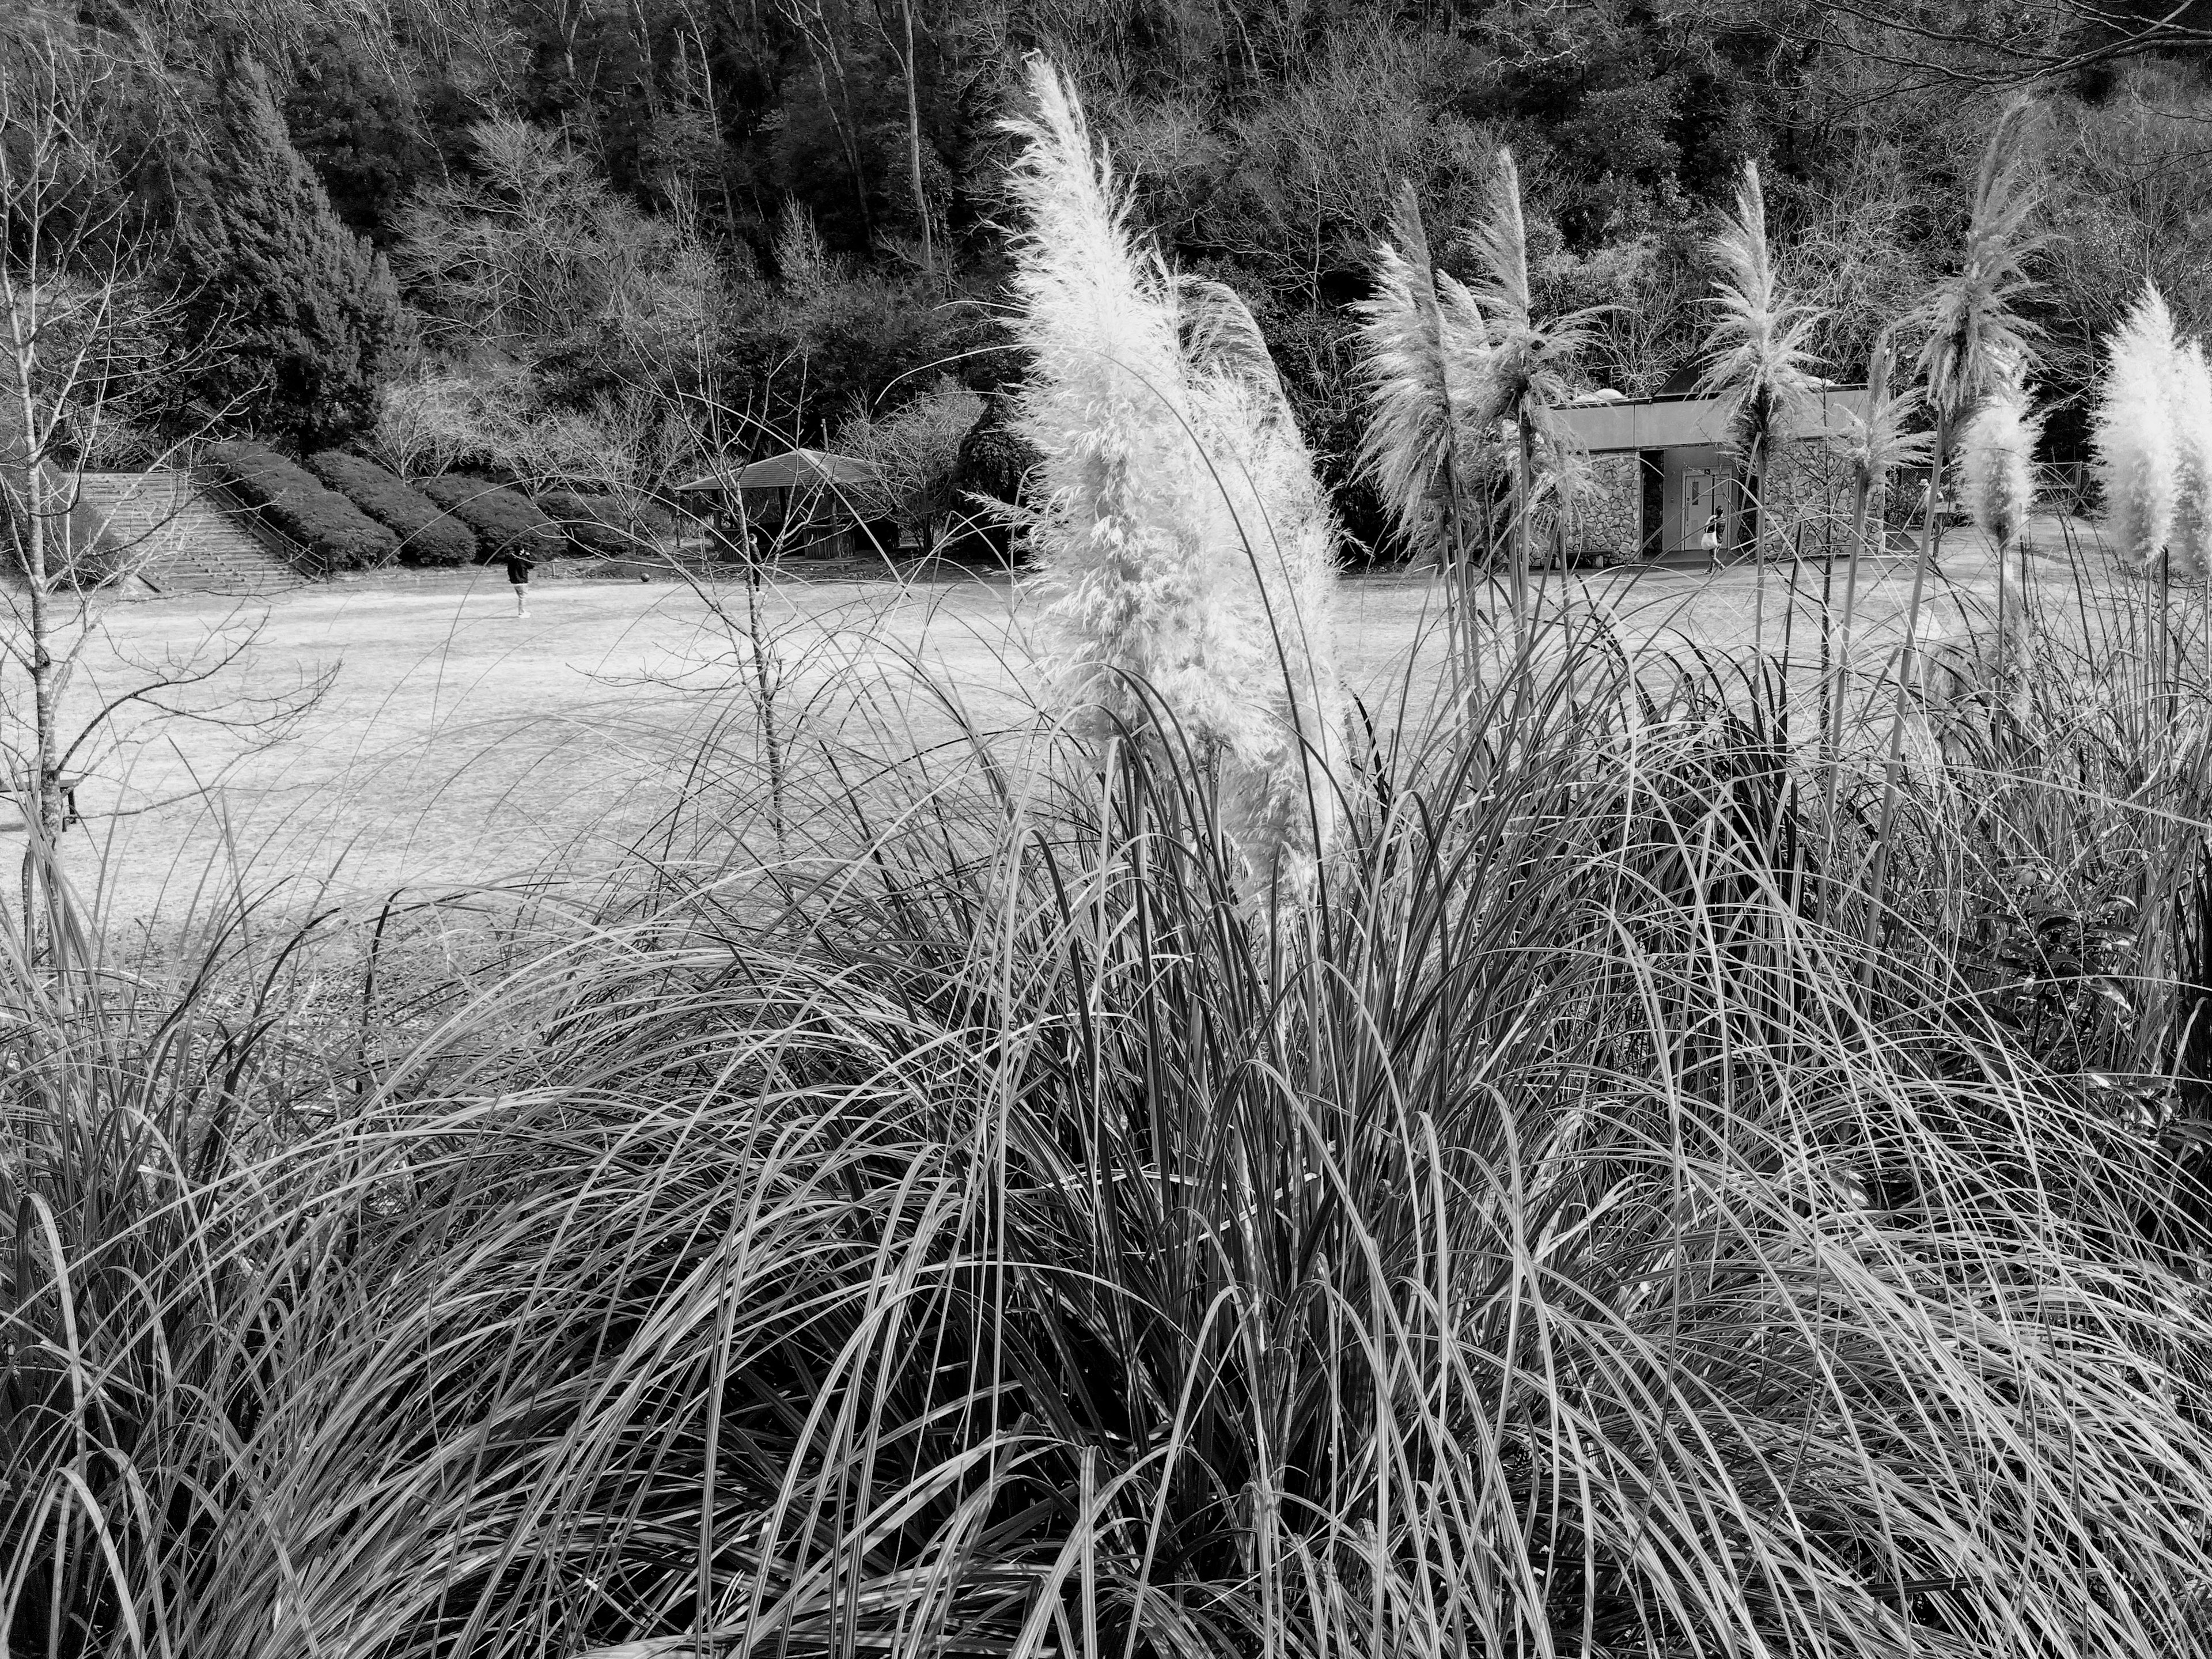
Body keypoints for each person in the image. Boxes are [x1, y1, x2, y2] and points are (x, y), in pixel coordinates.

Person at [502, 544, 536, 617]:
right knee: (523, 598)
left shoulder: (511, 560)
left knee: (521, 597)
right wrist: (528, 556)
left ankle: (522, 611)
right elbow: (531, 565)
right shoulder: (523, 559)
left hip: (514, 581)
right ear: (521, 551)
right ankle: (521, 613)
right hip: (522, 581)